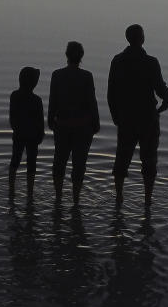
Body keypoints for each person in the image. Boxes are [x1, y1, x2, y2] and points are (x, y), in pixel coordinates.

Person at [108, 24, 168, 206]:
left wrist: (116, 117)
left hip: (126, 119)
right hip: (148, 119)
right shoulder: (151, 62)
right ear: (142, 39)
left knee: (122, 158)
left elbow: (111, 93)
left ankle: (119, 196)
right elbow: (162, 91)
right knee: (149, 160)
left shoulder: (117, 61)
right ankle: (147, 200)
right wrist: (165, 103)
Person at [48, 41, 100, 205]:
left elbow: (53, 101)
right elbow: (92, 102)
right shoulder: (87, 76)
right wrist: (96, 123)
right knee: (79, 164)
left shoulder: (57, 75)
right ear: (81, 57)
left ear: (66, 55)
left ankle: (58, 197)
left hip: (62, 125)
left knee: (59, 162)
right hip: (83, 127)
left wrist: (50, 120)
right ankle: (76, 200)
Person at [9, 66, 45, 198]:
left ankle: (11, 190)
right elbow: (40, 121)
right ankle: (30, 193)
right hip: (33, 136)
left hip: (18, 134)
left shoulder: (14, 96)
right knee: (32, 163)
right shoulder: (37, 100)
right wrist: (40, 135)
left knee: (15, 160)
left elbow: (12, 118)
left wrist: (16, 129)